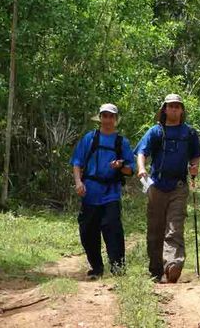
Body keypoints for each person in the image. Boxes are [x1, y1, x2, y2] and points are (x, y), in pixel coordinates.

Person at [134, 94, 200, 283]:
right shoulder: (156, 131)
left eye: (177, 106)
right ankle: (156, 270)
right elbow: (141, 152)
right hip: (156, 186)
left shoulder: (189, 133)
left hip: (178, 186)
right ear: (164, 109)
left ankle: (173, 265)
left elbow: (195, 155)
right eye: (170, 106)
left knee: (175, 227)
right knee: (155, 230)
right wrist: (141, 168)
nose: (174, 109)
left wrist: (194, 166)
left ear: (182, 110)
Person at [71, 103, 135, 280]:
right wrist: (78, 182)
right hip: (90, 193)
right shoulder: (89, 139)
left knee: (113, 230)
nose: (107, 120)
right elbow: (77, 162)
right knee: (87, 232)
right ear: (100, 118)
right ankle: (97, 269)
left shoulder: (122, 142)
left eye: (111, 116)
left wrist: (120, 166)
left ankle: (118, 270)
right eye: (104, 116)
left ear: (116, 119)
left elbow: (131, 170)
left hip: (111, 193)